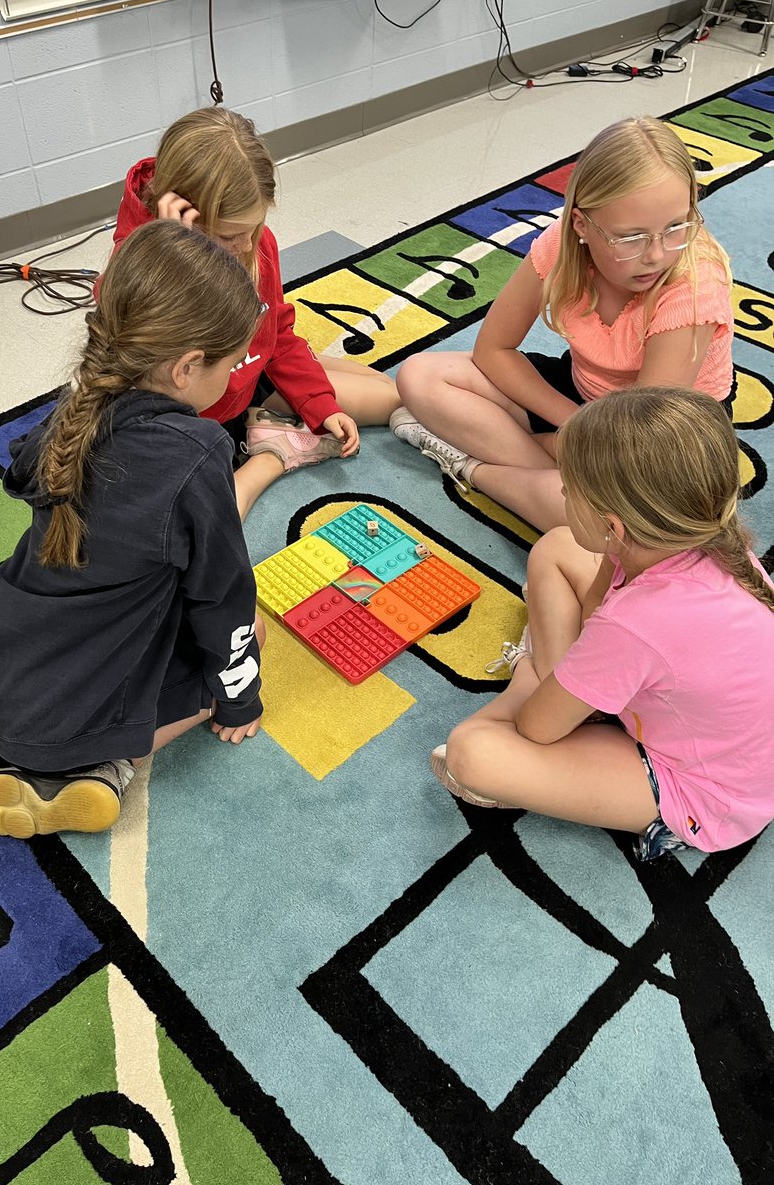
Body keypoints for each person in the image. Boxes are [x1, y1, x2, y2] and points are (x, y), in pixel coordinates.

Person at [0, 221, 269, 839]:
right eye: (231, 365)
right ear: (187, 367)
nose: (234, 379)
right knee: (248, 635)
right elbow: (222, 598)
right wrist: (238, 698)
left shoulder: (71, 414)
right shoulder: (197, 453)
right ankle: (103, 766)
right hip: (69, 721)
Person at [430, 388, 774, 861]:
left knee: (472, 753)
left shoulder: (638, 622)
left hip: (710, 793)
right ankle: (579, 693)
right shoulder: (692, 541)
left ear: (614, 527)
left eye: (568, 493)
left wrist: (536, 681)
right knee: (554, 546)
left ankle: (542, 680)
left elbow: (537, 728)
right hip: (722, 729)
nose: (563, 497)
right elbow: (596, 610)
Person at [392, 116, 734, 532]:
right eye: (631, 237)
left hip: (663, 438)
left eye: (676, 227)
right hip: (586, 404)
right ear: (581, 225)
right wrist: (573, 426)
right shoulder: (561, 244)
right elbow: (493, 349)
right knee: (420, 374)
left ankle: (479, 469)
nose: (657, 255)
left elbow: (642, 435)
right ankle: (566, 491)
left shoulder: (694, 286)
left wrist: (541, 442)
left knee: (632, 527)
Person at [107, 107, 400, 519]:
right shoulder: (140, 266)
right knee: (206, 517)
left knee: (394, 395)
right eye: (230, 235)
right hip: (190, 423)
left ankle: (273, 421)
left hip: (245, 382)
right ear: (182, 218)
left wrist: (321, 405)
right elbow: (127, 356)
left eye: (255, 227)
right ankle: (272, 454)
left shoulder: (254, 245)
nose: (247, 246)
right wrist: (171, 255)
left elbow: (276, 334)